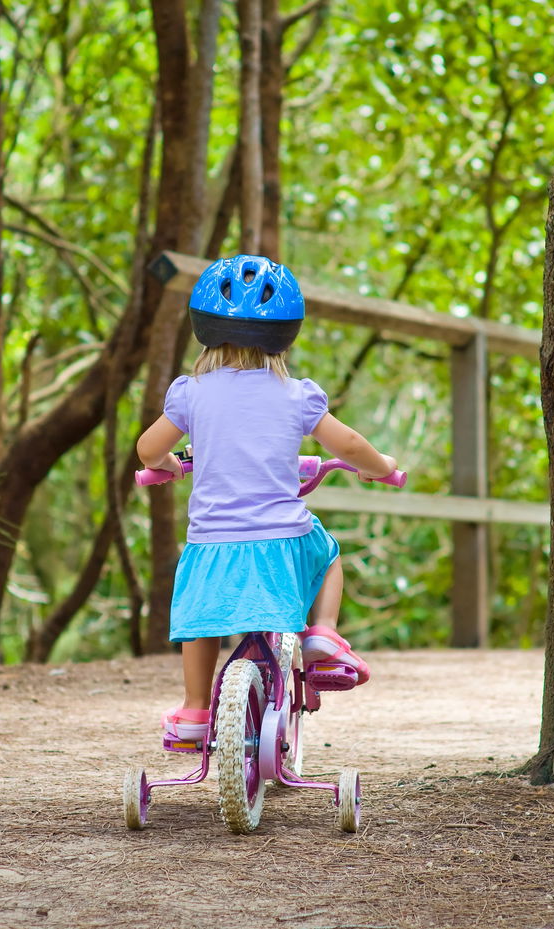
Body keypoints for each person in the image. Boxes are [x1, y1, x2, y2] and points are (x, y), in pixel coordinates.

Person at [136, 254, 398, 743]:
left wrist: (167, 463)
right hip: (283, 541)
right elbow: (347, 445)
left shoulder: (191, 393)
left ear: (204, 327)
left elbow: (149, 449)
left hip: (212, 543)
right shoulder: (297, 395)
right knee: (328, 552)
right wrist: (379, 465)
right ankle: (323, 633)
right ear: (286, 334)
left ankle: (195, 711)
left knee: (202, 619)